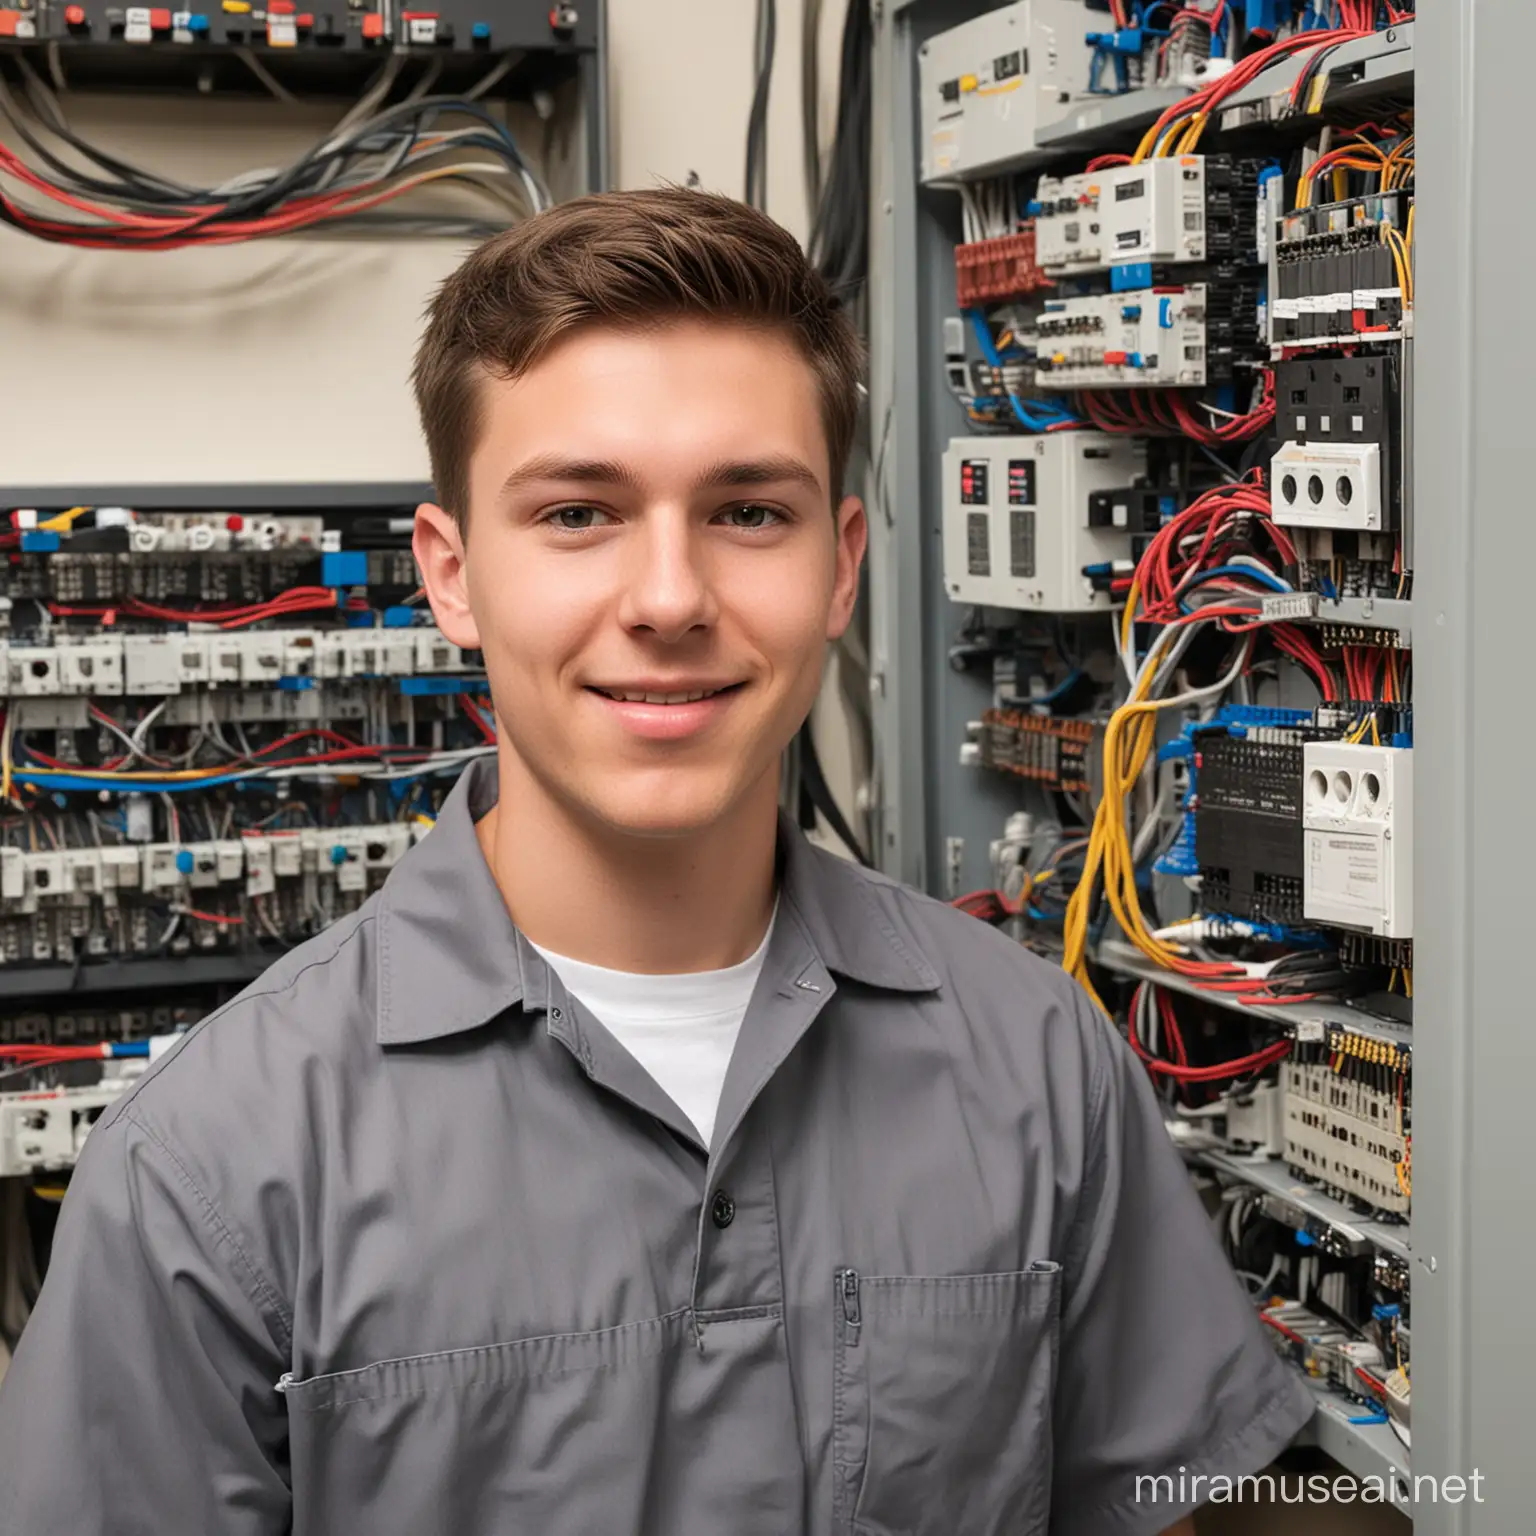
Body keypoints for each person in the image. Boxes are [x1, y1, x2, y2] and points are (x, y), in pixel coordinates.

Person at [0, 188, 1310, 1535]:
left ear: (843, 568)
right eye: (578, 514)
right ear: (451, 575)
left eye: (748, 512)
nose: (671, 598)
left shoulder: (1038, 1065)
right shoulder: (210, 1174)